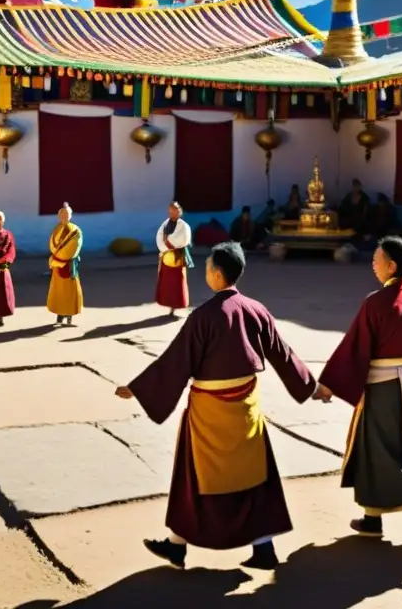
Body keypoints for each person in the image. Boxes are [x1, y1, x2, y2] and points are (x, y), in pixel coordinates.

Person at [115, 242, 317, 571]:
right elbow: (283, 353)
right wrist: (311, 385)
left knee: (193, 476)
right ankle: (263, 549)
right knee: (253, 475)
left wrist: (137, 389)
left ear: (218, 275)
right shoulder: (256, 310)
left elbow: (175, 362)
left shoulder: (204, 316)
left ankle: (178, 547)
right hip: (246, 410)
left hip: (208, 413)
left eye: (208, 268)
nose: (206, 273)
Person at [314, 236, 402, 544]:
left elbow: (355, 348)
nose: (373, 264)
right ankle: (371, 519)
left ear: (392, 266)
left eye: (377, 260)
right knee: (386, 450)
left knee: (380, 452)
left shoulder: (375, 302)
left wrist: (329, 384)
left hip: (384, 390)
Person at [47, 203, 83, 326]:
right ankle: (59, 313)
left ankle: (69, 316)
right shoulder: (56, 229)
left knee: (69, 291)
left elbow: (74, 247)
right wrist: (56, 257)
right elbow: (51, 245)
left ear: (71, 215)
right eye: (62, 214)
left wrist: (60, 258)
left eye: (67, 214)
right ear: (59, 216)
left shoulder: (75, 230)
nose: (64, 216)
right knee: (58, 290)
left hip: (68, 265)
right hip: (57, 265)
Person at [155, 201, 193, 316]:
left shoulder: (184, 226)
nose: (172, 212)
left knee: (178, 282)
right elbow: (161, 236)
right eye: (170, 210)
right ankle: (170, 305)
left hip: (178, 257)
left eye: (174, 210)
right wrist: (164, 248)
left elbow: (184, 240)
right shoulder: (166, 224)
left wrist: (171, 243)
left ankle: (176, 305)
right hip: (167, 256)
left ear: (179, 211)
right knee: (167, 282)